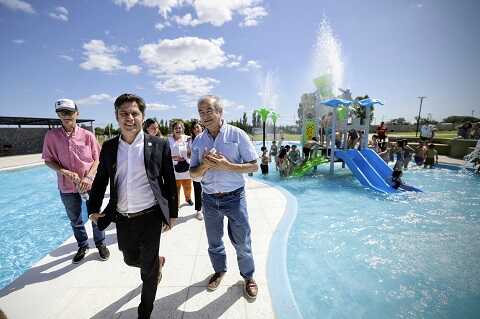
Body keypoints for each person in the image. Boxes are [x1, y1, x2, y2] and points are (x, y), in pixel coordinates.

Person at [87, 93, 178, 319]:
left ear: (142, 116)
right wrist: (93, 208)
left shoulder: (159, 145)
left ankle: (144, 312)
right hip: (122, 217)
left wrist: (172, 214)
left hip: (150, 216)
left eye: (135, 113)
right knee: (129, 259)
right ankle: (156, 263)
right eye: (124, 113)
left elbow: (169, 181)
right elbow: (100, 180)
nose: (130, 118)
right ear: (116, 117)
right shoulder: (108, 147)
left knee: (147, 273)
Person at [189, 95, 259, 300]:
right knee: (214, 241)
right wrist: (205, 165)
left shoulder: (237, 134)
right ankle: (219, 271)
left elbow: (254, 165)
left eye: (209, 111)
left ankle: (248, 277)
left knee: (242, 241)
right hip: (209, 199)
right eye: (201, 112)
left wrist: (228, 166)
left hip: (234, 198)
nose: (205, 116)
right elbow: (193, 174)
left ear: (220, 112)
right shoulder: (199, 140)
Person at [42, 98, 108, 263]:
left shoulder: (88, 136)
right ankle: (83, 245)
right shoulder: (51, 136)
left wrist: (89, 177)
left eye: (69, 112)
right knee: (75, 219)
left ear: (77, 113)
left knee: (96, 215)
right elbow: (48, 159)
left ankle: (100, 244)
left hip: (90, 185)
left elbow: (98, 159)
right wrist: (63, 170)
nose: (66, 116)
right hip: (67, 187)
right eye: (61, 113)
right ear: (58, 115)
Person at [168, 120, 193, 207]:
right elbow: (165, 153)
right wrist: (174, 157)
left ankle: (188, 198)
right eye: (176, 128)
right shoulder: (168, 140)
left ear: (182, 129)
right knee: (176, 188)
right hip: (174, 167)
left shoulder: (188, 138)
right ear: (173, 129)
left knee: (187, 186)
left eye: (180, 128)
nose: (178, 130)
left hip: (186, 166)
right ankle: (177, 204)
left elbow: (191, 152)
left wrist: (187, 155)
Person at [191, 121, 204, 220]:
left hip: (207, 169)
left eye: (198, 127)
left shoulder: (207, 138)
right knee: (197, 189)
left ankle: (206, 208)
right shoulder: (189, 140)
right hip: (195, 169)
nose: (196, 129)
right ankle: (199, 210)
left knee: (207, 190)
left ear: (202, 128)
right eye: (194, 128)